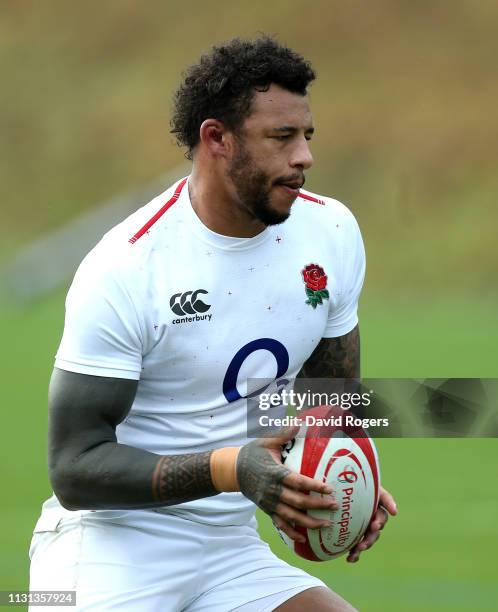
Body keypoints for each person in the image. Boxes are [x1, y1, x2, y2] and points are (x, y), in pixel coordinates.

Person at [29, 36, 397, 611]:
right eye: (282, 137)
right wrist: (233, 468)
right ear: (216, 139)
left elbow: (328, 398)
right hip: (109, 545)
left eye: (307, 136)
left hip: (229, 550)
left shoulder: (332, 233)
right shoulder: (127, 267)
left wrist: (342, 473)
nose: (304, 157)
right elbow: (74, 469)